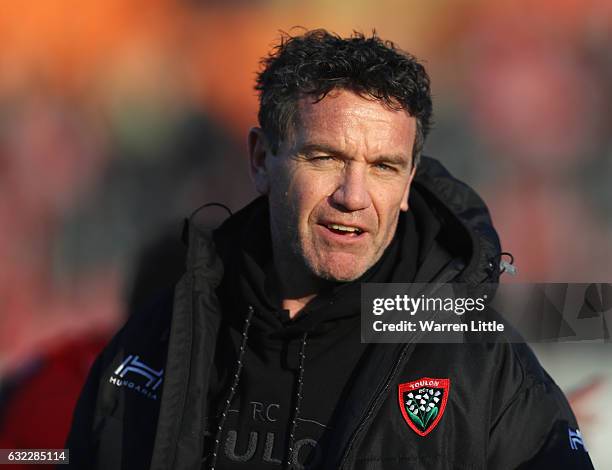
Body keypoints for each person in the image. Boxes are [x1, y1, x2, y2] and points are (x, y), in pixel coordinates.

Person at [66, 29, 594, 469]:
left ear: (409, 181)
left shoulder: (476, 357)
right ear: (260, 159)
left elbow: (579, 316)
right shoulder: (161, 338)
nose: (353, 197)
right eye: (324, 157)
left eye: (384, 167)